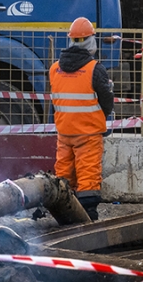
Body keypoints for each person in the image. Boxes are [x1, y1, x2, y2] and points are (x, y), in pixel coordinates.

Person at [49, 17, 114, 220]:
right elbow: (107, 100)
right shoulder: (95, 69)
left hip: (64, 132)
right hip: (88, 133)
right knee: (88, 175)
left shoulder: (54, 69)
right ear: (90, 40)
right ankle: (88, 218)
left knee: (64, 175)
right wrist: (101, 118)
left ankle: (64, 217)